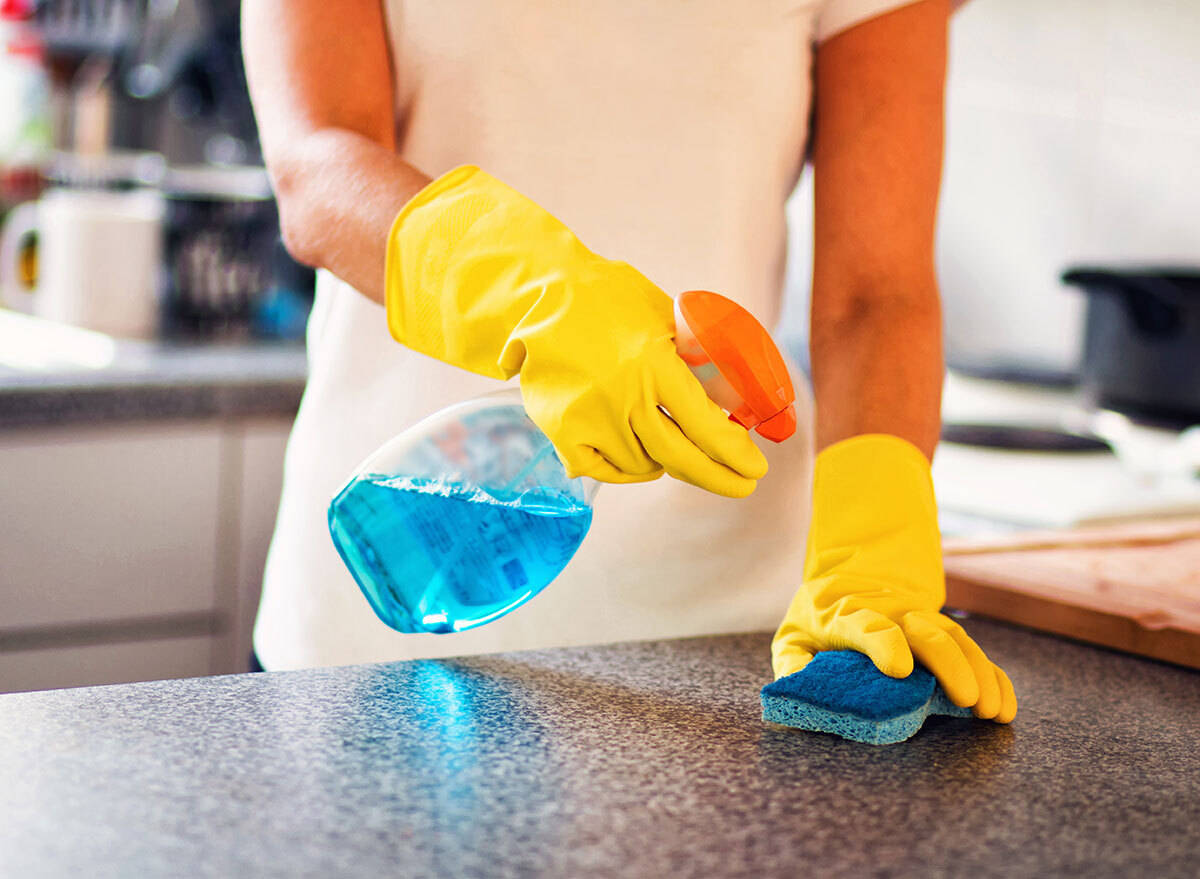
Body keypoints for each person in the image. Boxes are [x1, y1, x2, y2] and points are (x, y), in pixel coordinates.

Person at [242, 0, 1017, 723]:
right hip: (401, 581)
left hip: (719, 647)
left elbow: (875, 292)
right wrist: (537, 296)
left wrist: (871, 545)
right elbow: (317, 165)